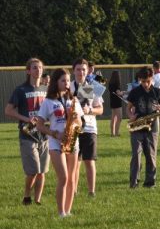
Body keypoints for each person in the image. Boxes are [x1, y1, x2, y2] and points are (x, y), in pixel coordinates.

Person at [35, 68, 83, 217]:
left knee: (71, 178)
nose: (67, 83)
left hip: (72, 140)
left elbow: (81, 123)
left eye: (68, 80)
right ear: (56, 82)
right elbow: (39, 125)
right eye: (63, 80)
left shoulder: (73, 100)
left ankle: (68, 211)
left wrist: (74, 119)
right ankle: (61, 212)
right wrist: (54, 133)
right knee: (63, 177)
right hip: (56, 142)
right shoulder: (48, 102)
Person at [5, 57, 48, 206]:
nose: (38, 70)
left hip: (44, 135)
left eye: (40, 67)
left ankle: (37, 200)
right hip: (27, 135)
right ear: (28, 71)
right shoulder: (21, 90)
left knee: (42, 170)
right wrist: (25, 118)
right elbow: (8, 110)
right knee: (33, 170)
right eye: (35, 67)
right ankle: (26, 196)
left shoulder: (46, 90)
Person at [126, 66, 160, 188]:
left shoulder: (158, 92)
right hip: (138, 125)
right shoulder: (135, 92)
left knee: (151, 154)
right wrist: (131, 116)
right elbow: (128, 108)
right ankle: (134, 183)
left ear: (152, 78)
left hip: (153, 126)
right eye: (143, 81)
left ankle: (150, 182)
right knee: (136, 155)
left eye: (148, 81)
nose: (145, 84)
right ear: (139, 79)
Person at [72, 58, 103, 197]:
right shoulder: (68, 86)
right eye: (78, 69)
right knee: (75, 163)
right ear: (73, 71)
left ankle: (91, 192)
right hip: (72, 128)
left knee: (89, 161)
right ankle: (73, 191)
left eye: (83, 69)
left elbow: (100, 109)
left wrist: (89, 110)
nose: (81, 72)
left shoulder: (93, 86)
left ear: (88, 70)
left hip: (89, 128)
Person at [107, 70, 125, 137]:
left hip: (112, 102)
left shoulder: (110, 83)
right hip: (117, 102)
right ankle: (117, 133)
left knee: (113, 118)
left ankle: (112, 133)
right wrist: (124, 92)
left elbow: (114, 92)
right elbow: (118, 93)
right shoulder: (117, 83)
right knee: (120, 118)